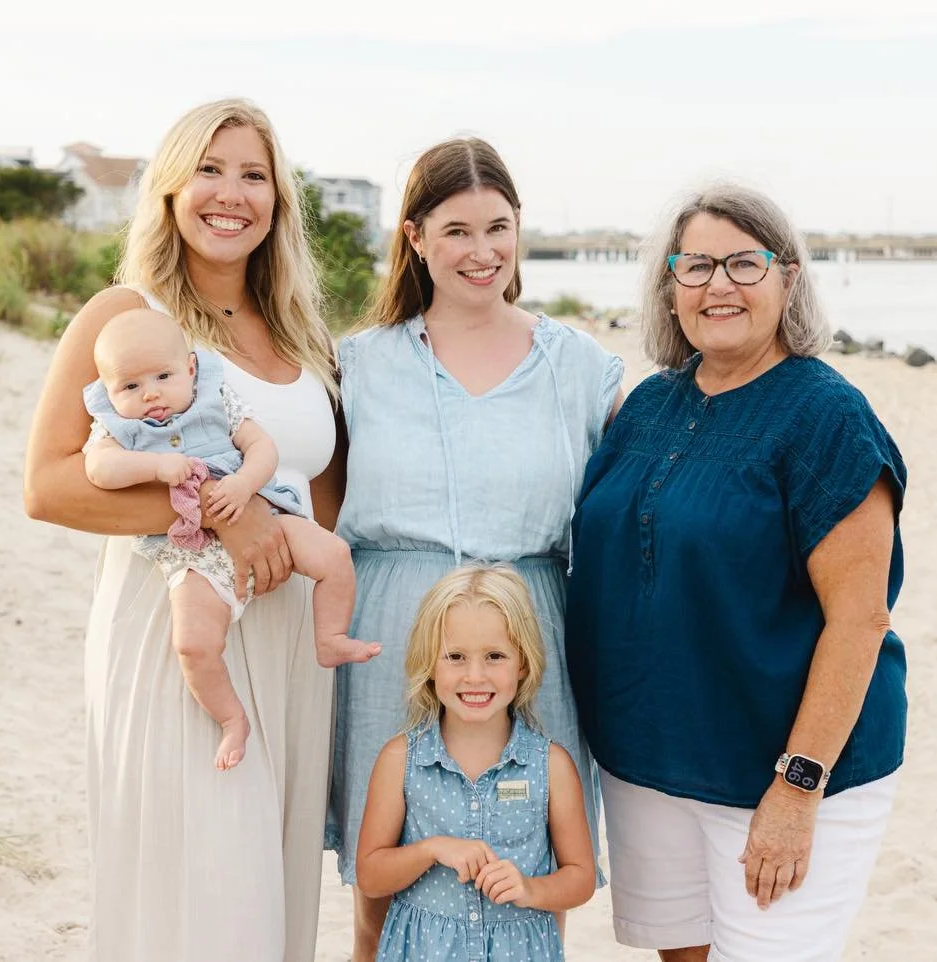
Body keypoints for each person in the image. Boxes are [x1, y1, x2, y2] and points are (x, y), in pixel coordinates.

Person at [24, 99, 339, 962]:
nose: (230, 193)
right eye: (209, 169)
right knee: (207, 905)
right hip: (177, 633)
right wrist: (222, 522)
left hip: (287, 647)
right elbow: (48, 487)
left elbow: (323, 497)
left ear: (279, 199)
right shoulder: (125, 316)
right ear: (169, 188)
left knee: (268, 906)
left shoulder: (302, 332)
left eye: (253, 174)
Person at [565, 183, 909, 962]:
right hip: (648, 761)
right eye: (696, 266)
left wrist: (797, 787)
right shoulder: (649, 406)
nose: (719, 285)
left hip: (779, 769)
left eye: (744, 263)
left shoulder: (826, 416)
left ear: (787, 279)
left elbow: (860, 619)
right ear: (671, 287)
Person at [327, 136, 624, 961]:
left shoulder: (579, 366)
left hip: (529, 632)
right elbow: (309, 506)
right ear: (415, 238)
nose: (482, 250)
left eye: (499, 226)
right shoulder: (360, 364)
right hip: (392, 629)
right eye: (457, 230)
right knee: (382, 889)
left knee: (530, 876)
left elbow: (642, 503)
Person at [82, 308, 379, 770]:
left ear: (191, 368)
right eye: (131, 387)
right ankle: (231, 719)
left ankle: (330, 636)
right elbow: (99, 469)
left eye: (163, 375)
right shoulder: (118, 427)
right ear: (109, 391)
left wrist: (242, 486)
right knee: (194, 644)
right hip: (192, 552)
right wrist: (156, 467)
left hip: (260, 509)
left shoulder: (215, 399)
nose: (151, 394)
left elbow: (263, 449)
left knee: (334, 555)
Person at [355, 563, 596, 961]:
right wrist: (432, 850)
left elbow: (581, 877)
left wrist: (530, 889)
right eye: (455, 656)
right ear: (429, 662)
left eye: (495, 656)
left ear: (523, 662)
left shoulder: (550, 765)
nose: (475, 675)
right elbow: (370, 874)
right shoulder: (400, 760)